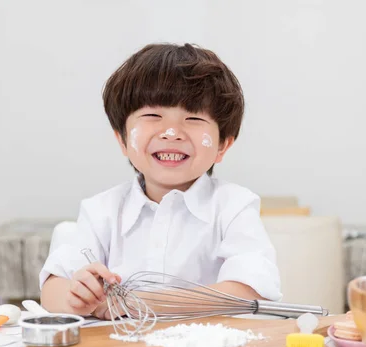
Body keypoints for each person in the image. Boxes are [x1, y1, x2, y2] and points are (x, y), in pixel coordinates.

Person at [39, 43, 281, 319]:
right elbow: (52, 290)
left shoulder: (234, 206)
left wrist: (140, 303)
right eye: (153, 116)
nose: (171, 132)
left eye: (192, 118)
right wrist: (76, 296)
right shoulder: (101, 211)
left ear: (222, 145)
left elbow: (250, 291)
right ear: (122, 139)